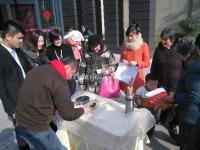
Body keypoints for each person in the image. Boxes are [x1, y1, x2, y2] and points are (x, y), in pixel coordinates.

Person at [15, 57, 92, 150]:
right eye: (72, 74)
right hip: (36, 127)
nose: (71, 77)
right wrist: (83, 110)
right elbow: (68, 114)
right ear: (67, 68)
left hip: (20, 121)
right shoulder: (59, 80)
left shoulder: (39, 69)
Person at [0, 20, 32, 149]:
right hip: (17, 104)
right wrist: (11, 109)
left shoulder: (18, 50)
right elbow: (1, 87)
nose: (21, 41)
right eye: (19, 38)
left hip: (30, 98)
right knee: (23, 136)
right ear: (8, 36)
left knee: (35, 131)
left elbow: (28, 69)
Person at [165, 35, 200, 150]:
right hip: (192, 115)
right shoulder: (192, 65)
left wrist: (175, 97)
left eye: (180, 54)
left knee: (186, 144)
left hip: (190, 117)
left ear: (186, 54)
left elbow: (194, 97)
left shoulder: (193, 68)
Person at [150, 28, 182, 138]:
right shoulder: (159, 49)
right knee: (160, 103)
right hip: (162, 83)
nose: (163, 41)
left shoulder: (179, 48)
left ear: (172, 40)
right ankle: (151, 126)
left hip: (175, 84)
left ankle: (171, 127)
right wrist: (152, 80)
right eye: (162, 39)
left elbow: (185, 65)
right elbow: (154, 66)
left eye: (165, 39)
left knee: (172, 108)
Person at [120, 22, 150, 93]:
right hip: (126, 76)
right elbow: (121, 58)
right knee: (127, 98)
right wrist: (122, 61)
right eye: (128, 36)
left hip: (137, 77)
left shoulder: (143, 45)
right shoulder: (125, 45)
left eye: (132, 36)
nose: (129, 38)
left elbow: (147, 63)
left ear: (138, 35)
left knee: (137, 98)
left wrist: (136, 63)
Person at [47, 29, 77, 95]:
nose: (59, 41)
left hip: (69, 76)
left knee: (72, 94)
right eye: (56, 40)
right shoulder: (49, 50)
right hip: (57, 79)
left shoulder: (67, 46)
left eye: (60, 38)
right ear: (52, 40)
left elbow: (73, 60)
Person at [134, 73, 158, 138]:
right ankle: (140, 132)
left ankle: (150, 134)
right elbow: (136, 96)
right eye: (151, 84)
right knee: (141, 122)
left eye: (155, 84)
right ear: (146, 83)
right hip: (142, 109)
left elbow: (160, 100)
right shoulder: (141, 89)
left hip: (152, 110)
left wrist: (157, 105)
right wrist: (138, 99)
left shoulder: (157, 91)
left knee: (151, 122)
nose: (153, 86)